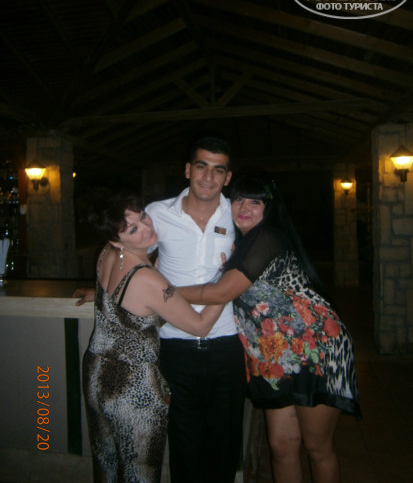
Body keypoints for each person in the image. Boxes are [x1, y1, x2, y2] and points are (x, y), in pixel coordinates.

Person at [75, 135, 247, 483]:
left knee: (225, 445)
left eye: (218, 170)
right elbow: (139, 261)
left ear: (228, 177)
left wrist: (107, 291)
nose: (208, 177)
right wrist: (227, 281)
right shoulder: (157, 213)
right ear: (188, 170)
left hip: (225, 344)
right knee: (184, 445)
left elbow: (137, 261)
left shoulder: (239, 215)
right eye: (201, 166)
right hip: (173, 347)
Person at [177, 173, 362, 483]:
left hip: (316, 350)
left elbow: (220, 292)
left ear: (269, 207)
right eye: (238, 199)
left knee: (316, 447)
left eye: (256, 202)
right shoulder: (240, 243)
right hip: (274, 357)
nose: (244, 207)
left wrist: (160, 291)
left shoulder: (266, 237)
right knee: (281, 446)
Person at [81, 191, 225, 483]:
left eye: (143, 216)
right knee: (140, 474)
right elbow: (199, 326)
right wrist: (225, 280)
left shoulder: (106, 255)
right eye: (133, 229)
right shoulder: (148, 280)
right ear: (116, 240)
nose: (147, 227)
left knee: (107, 465)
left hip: (96, 374)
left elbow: (128, 302)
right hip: (132, 388)